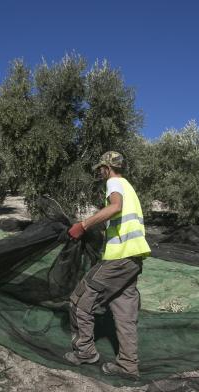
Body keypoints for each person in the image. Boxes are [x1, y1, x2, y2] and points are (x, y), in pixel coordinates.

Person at [63, 151, 151, 379]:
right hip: (134, 259)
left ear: (107, 167)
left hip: (119, 258)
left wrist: (83, 225)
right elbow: (118, 219)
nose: (99, 173)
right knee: (124, 312)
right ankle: (128, 365)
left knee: (80, 300)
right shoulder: (129, 187)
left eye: (100, 168)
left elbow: (115, 207)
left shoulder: (114, 182)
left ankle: (85, 352)